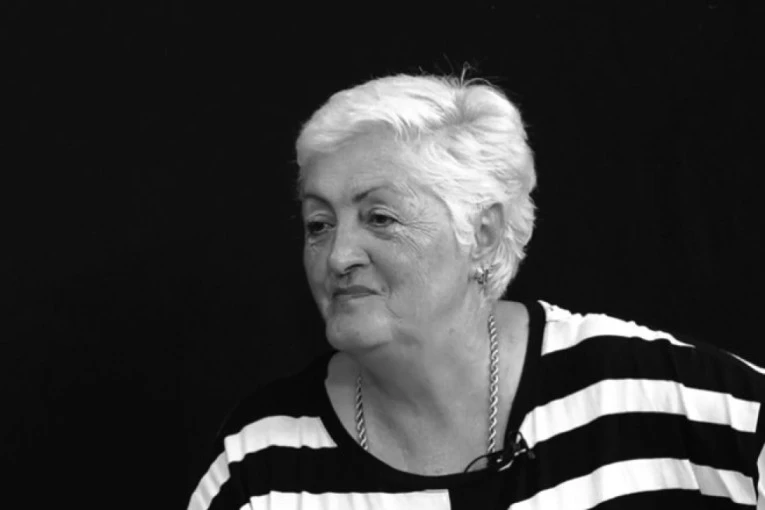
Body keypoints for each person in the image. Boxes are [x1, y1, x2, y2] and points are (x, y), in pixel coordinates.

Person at [187, 73, 765, 510]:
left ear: (482, 236)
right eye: (319, 224)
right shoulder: (261, 465)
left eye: (380, 218)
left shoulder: (632, 391)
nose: (338, 256)